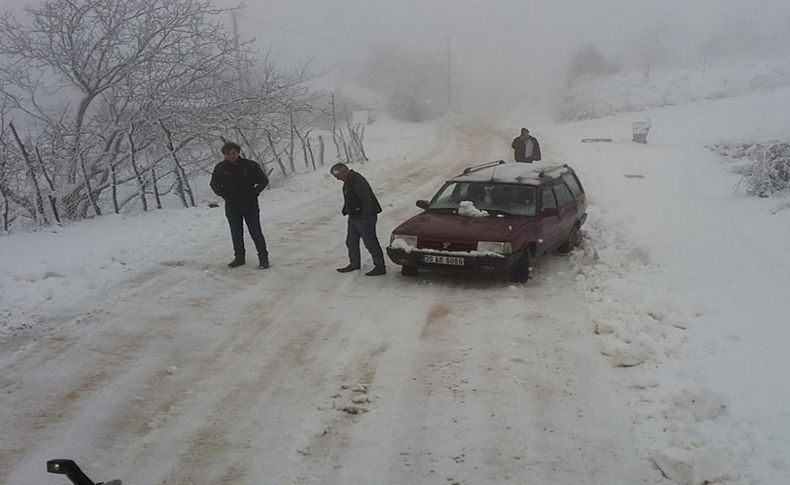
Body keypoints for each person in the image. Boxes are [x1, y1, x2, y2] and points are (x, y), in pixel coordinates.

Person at [210, 142, 270, 269]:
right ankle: (239, 258)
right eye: (228, 154)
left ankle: (263, 259)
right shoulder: (220, 168)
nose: (231, 156)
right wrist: (224, 195)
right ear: (224, 155)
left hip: (250, 205)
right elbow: (214, 184)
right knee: (236, 233)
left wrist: (254, 193)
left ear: (238, 152)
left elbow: (263, 181)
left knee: (255, 231)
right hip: (232, 206)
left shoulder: (250, 165)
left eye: (234, 153)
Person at [330, 162, 386, 276]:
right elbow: (350, 197)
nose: (337, 179)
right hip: (354, 217)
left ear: (343, 171)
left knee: (370, 242)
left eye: (337, 176)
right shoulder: (348, 181)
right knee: (351, 241)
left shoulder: (357, 180)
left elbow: (366, 200)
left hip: (365, 217)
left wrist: (365, 217)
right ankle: (354, 264)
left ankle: (380, 267)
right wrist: (346, 209)